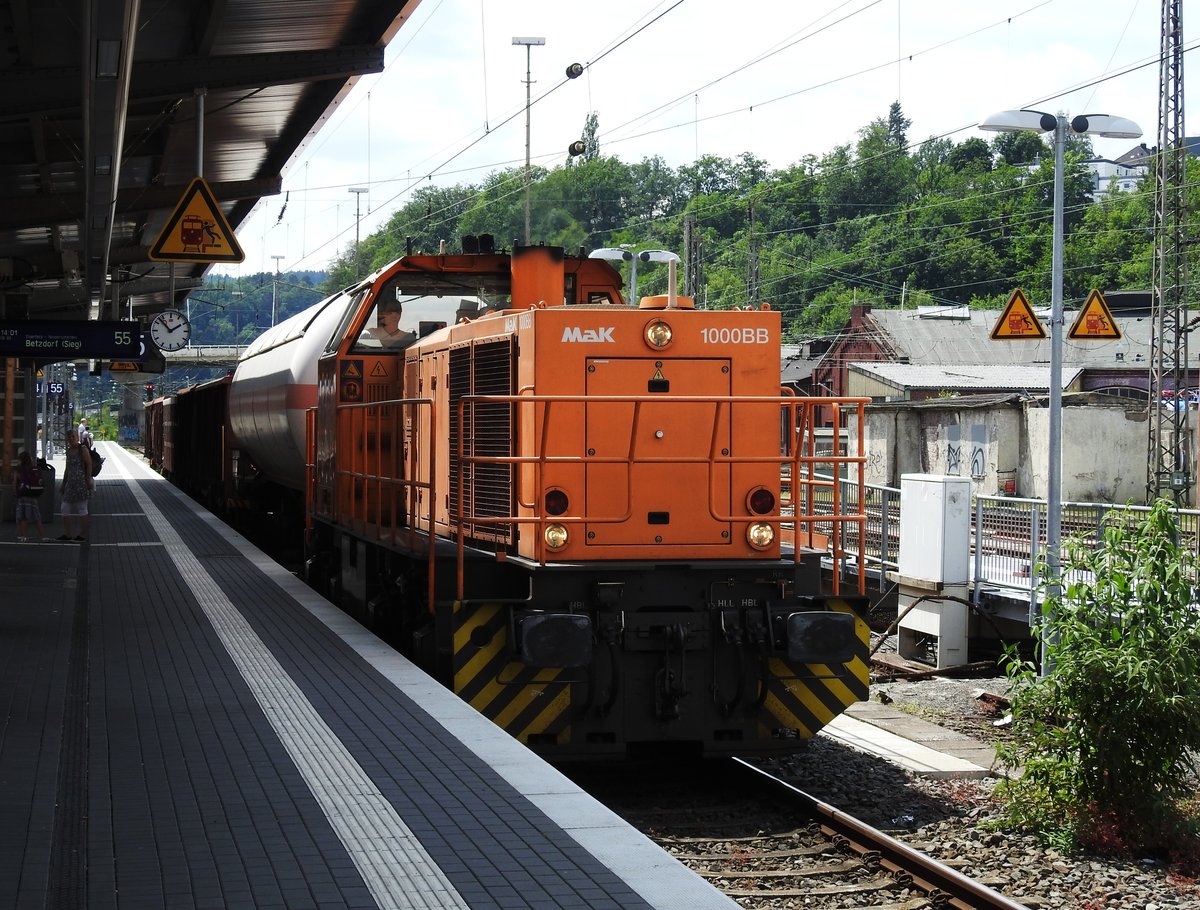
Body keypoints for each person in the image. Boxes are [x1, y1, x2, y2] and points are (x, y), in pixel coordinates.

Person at [58, 427, 93, 542]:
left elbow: (89, 464)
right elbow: (67, 468)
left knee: (82, 509)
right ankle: (67, 534)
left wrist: (88, 479)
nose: (71, 439)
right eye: (69, 437)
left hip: (81, 483)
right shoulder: (68, 451)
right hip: (70, 484)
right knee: (64, 508)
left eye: (73, 436)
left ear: (77, 437)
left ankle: (83, 535)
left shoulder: (82, 449)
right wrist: (63, 483)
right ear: (67, 439)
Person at [13, 451, 48, 542]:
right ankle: (42, 536)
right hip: (32, 495)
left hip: (22, 495)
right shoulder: (33, 468)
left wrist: (15, 492)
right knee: (37, 517)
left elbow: (15, 482)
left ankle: (24, 536)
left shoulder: (19, 469)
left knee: (23, 517)